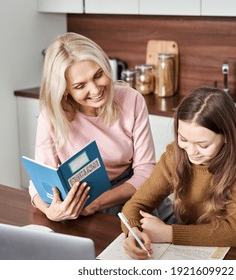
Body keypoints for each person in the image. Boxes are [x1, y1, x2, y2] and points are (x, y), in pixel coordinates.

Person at [121, 86, 236, 259]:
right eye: (183, 139)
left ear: (227, 136)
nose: (191, 151)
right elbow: (135, 204)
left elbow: (235, 233)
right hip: (195, 247)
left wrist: (169, 233)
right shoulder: (175, 155)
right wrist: (132, 232)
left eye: (203, 145)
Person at [28, 32, 160, 222]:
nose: (96, 90)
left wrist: (97, 203)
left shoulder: (131, 100)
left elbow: (146, 171)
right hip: (79, 203)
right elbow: (40, 179)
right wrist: (50, 211)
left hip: (129, 195)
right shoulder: (51, 116)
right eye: (80, 86)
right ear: (65, 91)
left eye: (98, 75)